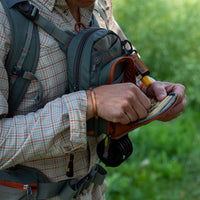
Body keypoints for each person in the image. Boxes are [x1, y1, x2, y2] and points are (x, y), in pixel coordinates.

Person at [0, 0, 186, 199]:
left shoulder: (99, 5)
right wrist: (89, 104)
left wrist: (147, 93)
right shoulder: (5, 18)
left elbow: (119, 58)